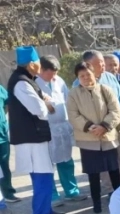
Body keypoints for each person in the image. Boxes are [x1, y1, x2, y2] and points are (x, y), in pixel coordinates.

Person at [7, 45, 65, 214]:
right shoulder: (21, 82)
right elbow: (38, 109)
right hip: (31, 139)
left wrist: (44, 100)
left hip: (35, 137)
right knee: (42, 176)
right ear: (31, 64)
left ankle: (46, 210)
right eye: (38, 61)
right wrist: (45, 102)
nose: (40, 64)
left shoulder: (27, 80)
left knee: (46, 174)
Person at [67, 62, 120, 214]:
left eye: (88, 74)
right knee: (93, 174)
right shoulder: (73, 94)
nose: (86, 78)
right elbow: (73, 115)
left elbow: (115, 111)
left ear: (94, 74)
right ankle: (97, 205)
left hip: (108, 137)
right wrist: (90, 127)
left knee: (114, 171)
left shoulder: (106, 89)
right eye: (82, 76)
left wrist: (104, 126)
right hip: (88, 141)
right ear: (78, 78)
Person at [75, 50, 120, 183]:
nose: (103, 65)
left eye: (102, 61)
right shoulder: (79, 84)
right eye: (99, 62)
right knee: (106, 163)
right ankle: (110, 189)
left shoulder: (109, 77)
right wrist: (94, 127)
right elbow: (77, 112)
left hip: (118, 124)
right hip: (99, 130)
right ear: (88, 64)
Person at [36, 55, 87, 204]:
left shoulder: (59, 81)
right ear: (42, 70)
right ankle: (52, 195)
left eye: (56, 73)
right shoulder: (33, 83)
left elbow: (68, 100)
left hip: (63, 127)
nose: (54, 76)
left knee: (66, 161)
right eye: (51, 73)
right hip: (45, 129)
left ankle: (72, 191)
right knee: (47, 164)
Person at [0, 84, 15, 203]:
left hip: (2, 134)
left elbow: (8, 102)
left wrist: (4, 119)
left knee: (4, 164)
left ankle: (8, 193)